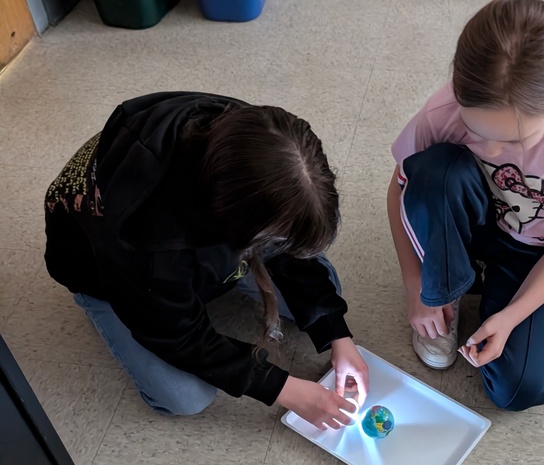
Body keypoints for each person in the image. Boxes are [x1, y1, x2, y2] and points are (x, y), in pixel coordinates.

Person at [44, 91, 368, 429]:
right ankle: (106, 309)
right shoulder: (148, 243)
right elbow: (179, 337)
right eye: (273, 240)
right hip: (107, 277)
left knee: (322, 292)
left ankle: (224, 277)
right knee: (185, 397)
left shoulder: (252, 138)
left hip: (196, 249)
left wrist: (337, 335)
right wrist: (285, 390)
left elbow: (289, 248)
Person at [387, 0, 544, 411]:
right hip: (468, 222)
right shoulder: (442, 112)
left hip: (532, 249)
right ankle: (447, 285)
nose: (492, 150)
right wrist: (415, 287)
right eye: (476, 131)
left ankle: (497, 298)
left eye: (513, 140)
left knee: (518, 391)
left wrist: (512, 316)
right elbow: (401, 189)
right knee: (437, 172)